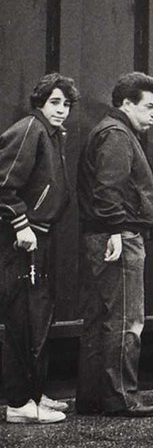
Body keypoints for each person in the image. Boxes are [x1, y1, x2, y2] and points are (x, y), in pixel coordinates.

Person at [76, 71, 153, 417]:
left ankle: (93, 398)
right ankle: (121, 397)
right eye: (150, 106)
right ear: (127, 104)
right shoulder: (117, 135)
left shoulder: (109, 131)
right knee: (127, 319)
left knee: (100, 319)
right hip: (119, 237)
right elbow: (108, 189)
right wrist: (115, 229)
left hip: (104, 234)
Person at [0, 74, 77, 424]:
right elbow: (4, 184)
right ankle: (19, 403)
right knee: (22, 321)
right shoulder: (31, 129)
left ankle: (33, 394)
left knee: (38, 319)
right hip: (23, 241)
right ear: (40, 102)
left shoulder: (50, 134)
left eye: (66, 104)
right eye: (55, 102)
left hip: (41, 237)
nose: (61, 110)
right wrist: (20, 224)